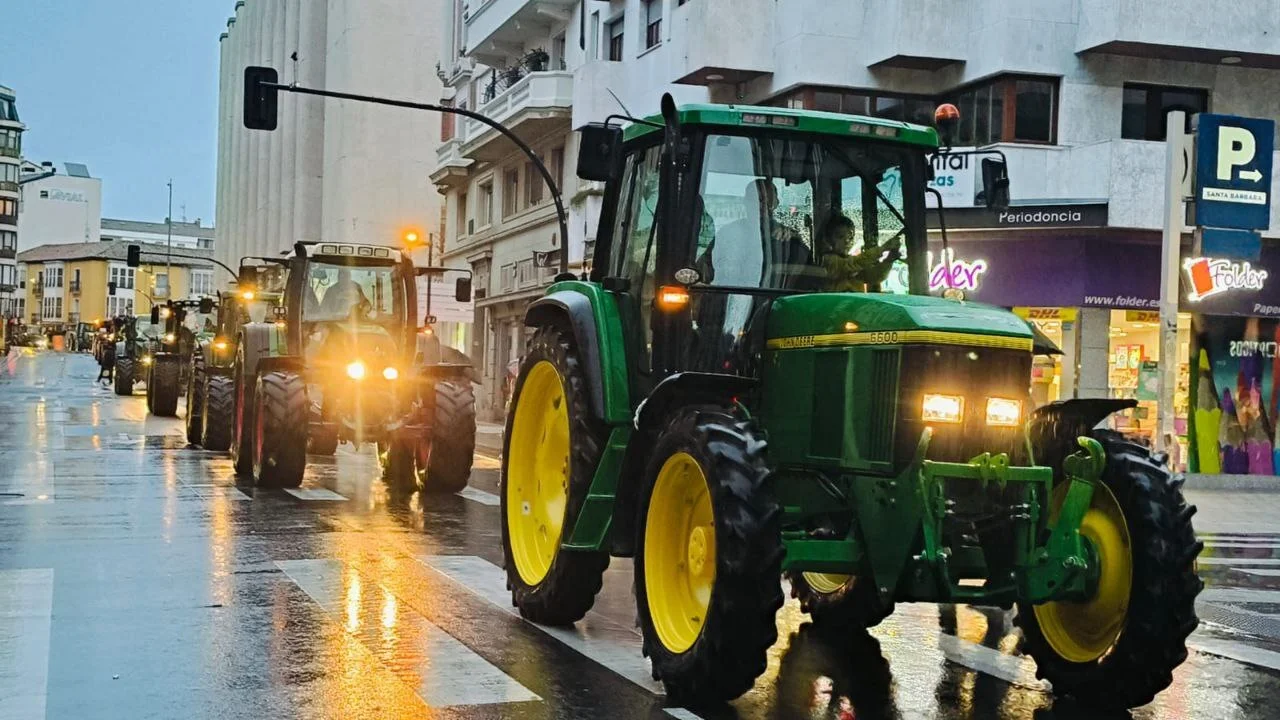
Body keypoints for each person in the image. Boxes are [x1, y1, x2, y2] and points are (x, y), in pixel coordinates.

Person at [818, 215, 902, 292]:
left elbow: (873, 277)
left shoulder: (852, 263)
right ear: (828, 240)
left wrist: (889, 260)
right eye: (840, 237)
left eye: (850, 237)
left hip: (855, 303)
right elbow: (855, 263)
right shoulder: (826, 260)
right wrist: (883, 248)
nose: (847, 241)